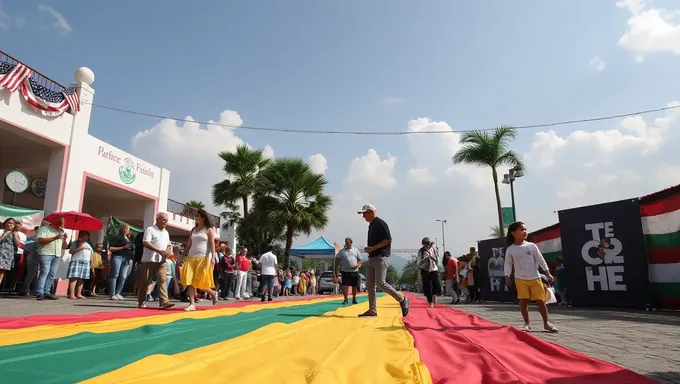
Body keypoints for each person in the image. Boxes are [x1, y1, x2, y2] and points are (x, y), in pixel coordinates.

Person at [504, 221, 558, 333]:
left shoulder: (531, 246)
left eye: (525, 229)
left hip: (535, 278)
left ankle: (546, 324)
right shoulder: (510, 249)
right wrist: (507, 275)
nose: (525, 232)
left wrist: (547, 272)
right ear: (513, 233)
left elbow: (540, 259)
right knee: (523, 302)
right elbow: (508, 263)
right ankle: (527, 324)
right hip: (520, 279)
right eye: (521, 229)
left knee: (541, 301)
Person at [356, 204, 409, 317]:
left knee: (380, 283)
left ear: (371, 212)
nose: (363, 216)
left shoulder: (380, 223)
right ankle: (372, 309)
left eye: (364, 214)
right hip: (371, 258)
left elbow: (388, 239)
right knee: (369, 285)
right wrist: (370, 249)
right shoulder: (371, 225)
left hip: (380, 257)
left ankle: (402, 299)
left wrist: (374, 248)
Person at [180, 209, 218, 311]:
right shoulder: (193, 230)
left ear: (203, 217)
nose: (196, 218)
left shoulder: (209, 229)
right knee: (190, 281)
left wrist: (213, 258)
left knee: (200, 283)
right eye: (195, 216)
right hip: (191, 258)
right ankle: (192, 304)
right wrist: (182, 256)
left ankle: (212, 293)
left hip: (203, 258)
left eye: (197, 216)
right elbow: (189, 244)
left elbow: (212, 245)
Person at [137, 212, 175, 309]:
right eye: (163, 219)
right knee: (145, 281)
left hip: (162, 261)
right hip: (149, 260)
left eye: (166, 220)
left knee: (162, 280)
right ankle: (141, 301)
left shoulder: (166, 232)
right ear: (157, 219)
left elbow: (168, 244)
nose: (165, 222)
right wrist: (159, 251)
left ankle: (164, 302)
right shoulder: (150, 230)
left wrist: (167, 251)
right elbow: (145, 243)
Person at [36, 216, 69, 300]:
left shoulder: (61, 231)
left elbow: (64, 246)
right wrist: (55, 238)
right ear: (55, 219)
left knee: (52, 274)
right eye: (62, 219)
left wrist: (65, 239)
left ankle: (47, 292)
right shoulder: (44, 229)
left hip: (57, 255)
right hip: (46, 253)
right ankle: (39, 293)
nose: (63, 221)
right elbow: (41, 241)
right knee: (44, 272)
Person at [108, 224, 134, 300]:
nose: (129, 230)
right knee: (115, 275)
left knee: (123, 276)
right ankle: (112, 294)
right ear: (123, 229)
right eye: (128, 229)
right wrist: (123, 247)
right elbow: (111, 248)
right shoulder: (117, 237)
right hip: (118, 257)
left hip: (127, 258)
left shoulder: (129, 239)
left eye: (129, 229)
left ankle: (118, 292)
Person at [335, 237, 363, 305]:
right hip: (345, 271)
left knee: (354, 285)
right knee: (345, 285)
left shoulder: (356, 250)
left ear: (351, 243)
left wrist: (357, 265)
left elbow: (360, 260)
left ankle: (354, 298)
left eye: (348, 243)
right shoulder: (342, 251)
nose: (347, 244)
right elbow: (337, 261)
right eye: (346, 243)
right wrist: (336, 270)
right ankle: (345, 299)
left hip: (354, 271)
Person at [66, 231, 93, 300]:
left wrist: (91, 262)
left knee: (82, 278)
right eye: (84, 235)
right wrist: (80, 248)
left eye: (87, 236)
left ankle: (79, 293)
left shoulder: (89, 244)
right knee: (74, 277)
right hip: (76, 261)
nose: (86, 237)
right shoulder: (76, 242)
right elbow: (71, 251)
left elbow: (91, 253)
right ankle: (71, 294)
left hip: (86, 262)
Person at [418, 237, 441, 308]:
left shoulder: (433, 249)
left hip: (433, 269)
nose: (428, 246)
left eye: (429, 244)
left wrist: (432, 258)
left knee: (437, 284)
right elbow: (419, 263)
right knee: (427, 286)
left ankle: (434, 294)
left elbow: (437, 260)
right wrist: (425, 259)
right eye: (426, 245)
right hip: (425, 270)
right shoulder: (421, 251)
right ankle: (430, 302)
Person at [0, 218, 19, 295]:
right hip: (0, 253)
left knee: (1, 272)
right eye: (8, 222)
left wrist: (14, 235)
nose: (9, 224)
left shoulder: (14, 233)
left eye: (12, 223)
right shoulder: (1, 231)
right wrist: (5, 234)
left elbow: (17, 244)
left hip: (7, 255)